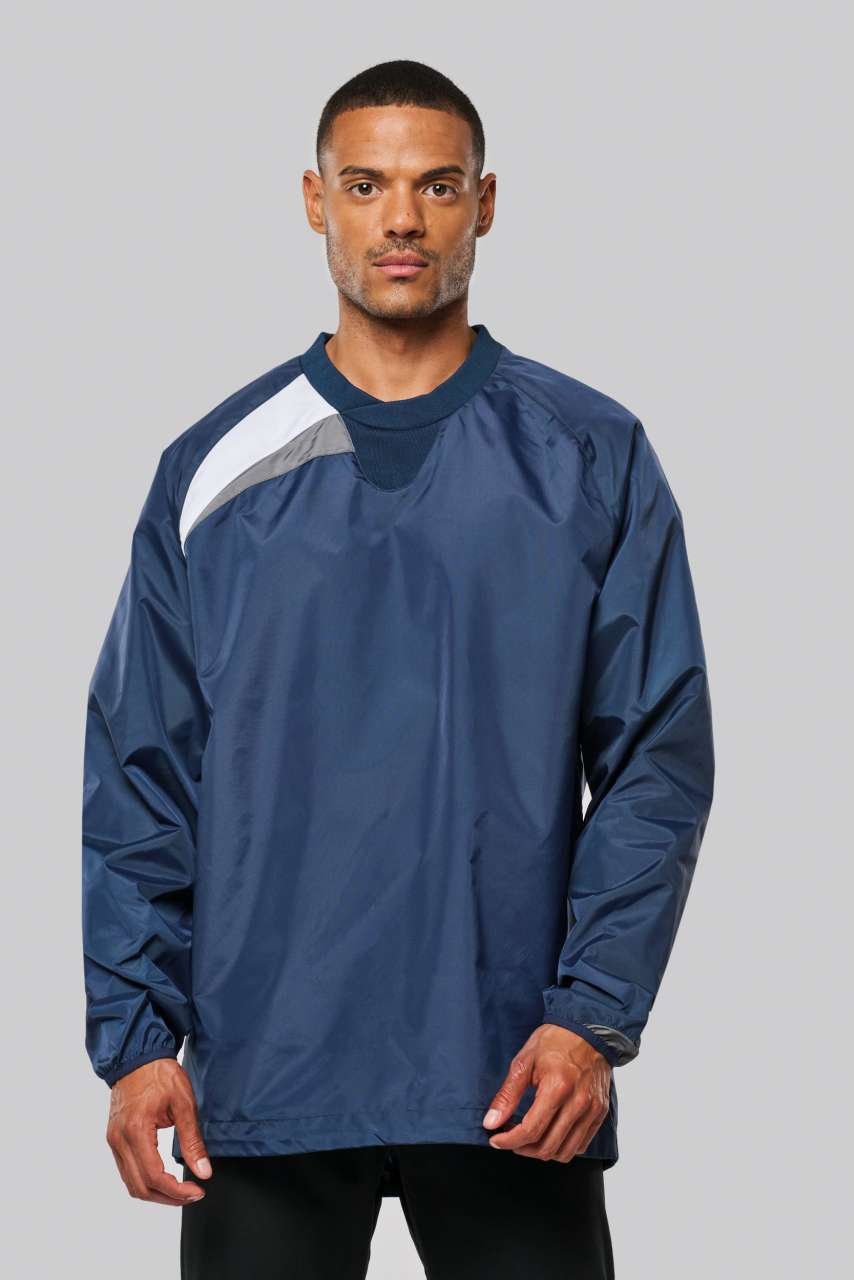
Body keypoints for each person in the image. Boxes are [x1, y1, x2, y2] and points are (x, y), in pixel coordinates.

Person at [81, 58, 715, 1280]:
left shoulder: (588, 454)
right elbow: (139, 768)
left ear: (485, 202)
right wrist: (136, 1036)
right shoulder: (211, 468)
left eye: (436, 184)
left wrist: (589, 1016)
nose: (401, 219)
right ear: (314, 200)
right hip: (264, 1073)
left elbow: (655, 759)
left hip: (513, 1072)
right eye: (366, 184)